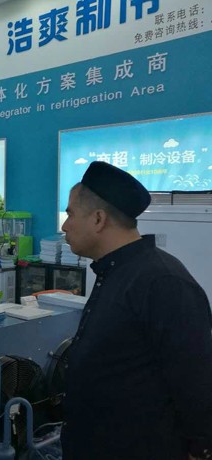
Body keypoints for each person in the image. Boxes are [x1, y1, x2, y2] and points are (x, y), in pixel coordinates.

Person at [60, 161, 212, 460]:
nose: (65, 226)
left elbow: (196, 383)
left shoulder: (162, 282)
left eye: (70, 214)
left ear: (98, 219)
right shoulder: (114, 272)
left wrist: (200, 449)